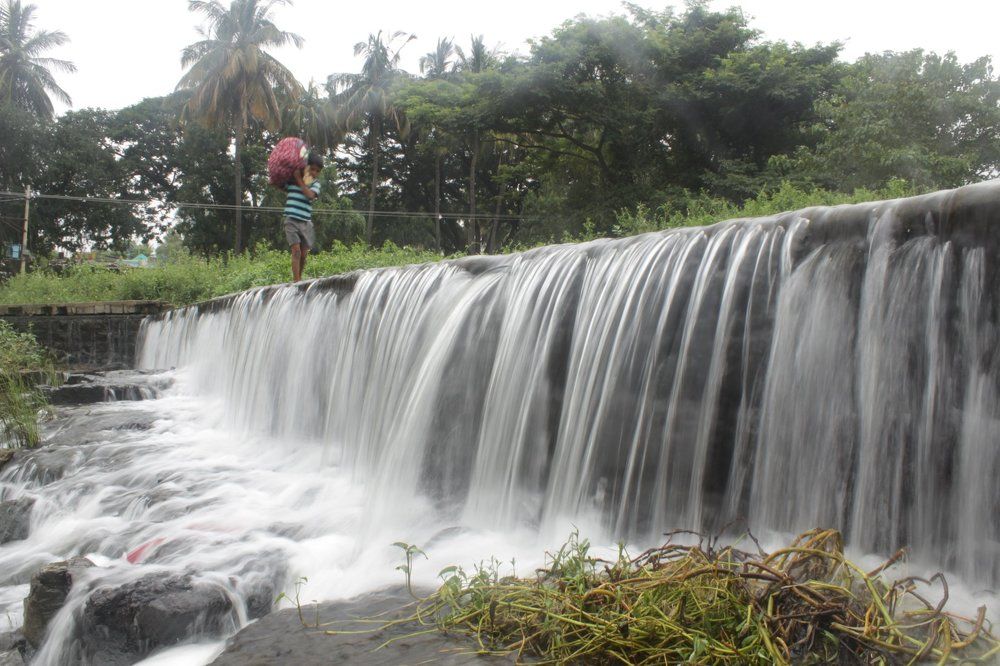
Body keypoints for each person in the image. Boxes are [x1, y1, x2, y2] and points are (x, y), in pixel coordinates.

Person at [283, 151, 323, 282]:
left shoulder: (315, 184)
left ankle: (299, 277)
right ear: (306, 167)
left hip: (306, 222)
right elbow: (281, 185)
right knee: (296, 252)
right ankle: (296, 281)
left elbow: (310, 195)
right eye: (312, 169)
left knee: (304, 254)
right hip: (291, 220)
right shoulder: (292, 181)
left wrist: (299, 180)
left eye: (317, 171)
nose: (314, 173)